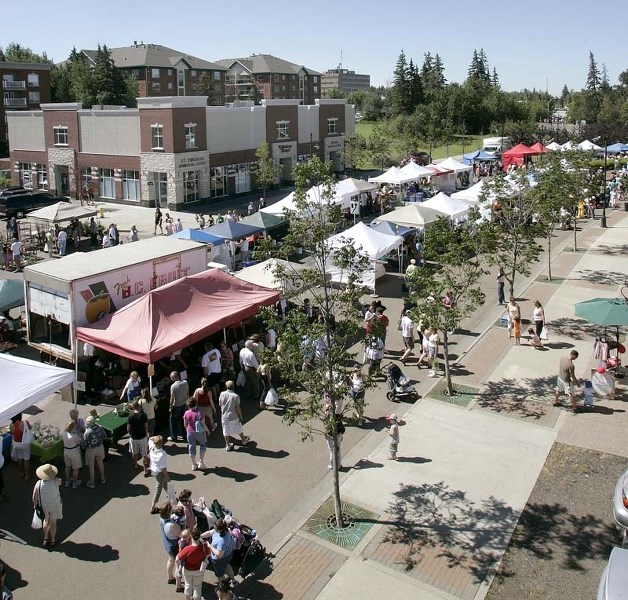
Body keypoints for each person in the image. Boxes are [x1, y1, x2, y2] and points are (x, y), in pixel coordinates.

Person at [176, 526, 210, 600]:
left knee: (188, 585)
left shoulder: (187, 549)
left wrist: (179, 566)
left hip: (187, 570)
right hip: (199, 570)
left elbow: (177, 558)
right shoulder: (204, 547)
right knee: (197, 587)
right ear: (199, 535)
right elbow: (208, 554)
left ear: (191, 536)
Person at [33, 464, 63, 547]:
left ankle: (45, 539)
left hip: (44, 506)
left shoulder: (38, 483)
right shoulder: (56, 481)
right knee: (53, 522)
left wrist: (35, 506)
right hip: (54, 505)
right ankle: (53, 540)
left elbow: (34, 497)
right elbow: (60, 482)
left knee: (46, 521)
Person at [218, 381, 250, 451]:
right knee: (239, 428)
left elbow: (220, 404)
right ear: (233, 387)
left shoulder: (222, 394)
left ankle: (228, 445)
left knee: (225, 430)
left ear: (226, 386)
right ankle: (244, 440)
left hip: (224, 416)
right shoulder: (235, 396)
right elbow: (237, 408)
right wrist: (240, 416)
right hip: (233, 416)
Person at [159, 501, 182, 587]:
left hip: (167, 543)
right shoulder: (171, 526)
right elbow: (181, 534)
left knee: (171, 560)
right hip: (175, 546)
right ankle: (179, 585)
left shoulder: (161, 519)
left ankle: (170, 577)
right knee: (178, 564)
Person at [183, 398, 209, 471]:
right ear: (196, 404)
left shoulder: (186, 413)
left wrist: (188, 430)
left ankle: (194, 464)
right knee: (203, 445)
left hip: (190, 432)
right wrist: (207, 431)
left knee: (191, 447)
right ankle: (201, 462)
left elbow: (185, 424)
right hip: (199, 432)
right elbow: (203, 424)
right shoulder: (200, 413)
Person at [82, 416, 107, 488]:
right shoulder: (100, 427)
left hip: (91, 450)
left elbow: (84, 444)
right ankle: (103, 478)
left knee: (91, 465)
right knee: (100, 462)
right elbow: (104, 437)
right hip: (100, 447)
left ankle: (92, 482)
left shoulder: (88, 432)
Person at [209, 518, 236, 582]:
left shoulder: (221, 541)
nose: (213, 528)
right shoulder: (226, 530)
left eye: (215, 527)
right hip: (228, 554)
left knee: (220, 575)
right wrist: (200, 536)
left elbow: (219, 555)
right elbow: (210, 532)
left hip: (220, 559)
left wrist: (210, 546)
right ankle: (233, 580)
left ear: (219, 529)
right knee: (226, 565)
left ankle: (223, 588)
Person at [127, 401, 150, 475]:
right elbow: (146, 427)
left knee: (134, 452)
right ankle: (145, 470)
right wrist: (146, 435)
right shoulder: (143, 415)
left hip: (133, 438)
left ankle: (135, 465)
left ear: (133, 407)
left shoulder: (130, 416)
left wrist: (131, 433)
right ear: (139, 406)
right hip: (142, 437)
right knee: (144, 454)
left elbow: (128, 429)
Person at [149, 436, 169, 514]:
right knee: (158, 489)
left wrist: (154, 438)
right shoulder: (162, 454)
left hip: (154, 470)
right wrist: (167, 476)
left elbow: (150, 438)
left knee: (164, 484)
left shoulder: (152, 447)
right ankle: (152, 507)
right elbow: (164, 468)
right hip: (160, 472)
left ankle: (169, 494)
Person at [169, 371, 189, 443]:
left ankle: (174, 437)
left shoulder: (173, 386)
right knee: (183, 420)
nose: (170, 379)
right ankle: (185, 435)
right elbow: (187, 393)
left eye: (171, 377)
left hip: (177, 405)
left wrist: (170, 407)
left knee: (172, 420)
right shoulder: (185, 382)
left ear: (174, 377)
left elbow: (172, 398)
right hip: (184, 404)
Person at [9, 413, 31, 480]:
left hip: (16, 444)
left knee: (19, 458)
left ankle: (21, 472)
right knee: (26, 459)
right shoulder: (25, 422)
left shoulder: (11, 425)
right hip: (24, 443)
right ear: (20, 416)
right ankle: (26, 475)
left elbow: (12, 433)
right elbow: (30, 428)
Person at [62, 421, 83, 488]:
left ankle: (67, 481)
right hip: (74, 452)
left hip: (66, 451)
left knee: (67, 466)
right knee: (75, 468)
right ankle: (75, 482)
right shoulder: (74, 436)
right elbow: (79, 442)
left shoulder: (64, 434)